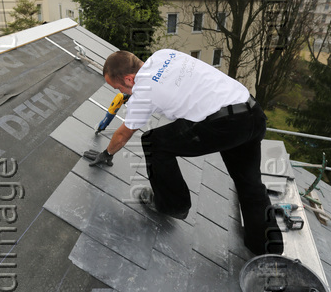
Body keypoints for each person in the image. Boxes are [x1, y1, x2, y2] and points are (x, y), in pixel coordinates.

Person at [84, 49, 283, 256]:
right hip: (251, 112)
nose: (124, 93)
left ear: (129, 78)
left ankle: (173, 204)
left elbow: (123, 135)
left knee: (154, 142)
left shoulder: (143, 91)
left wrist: (106, 154)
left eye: (119, 87)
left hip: (227, 124)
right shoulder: (163, 55)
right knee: (250, 184)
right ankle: (269, 251)